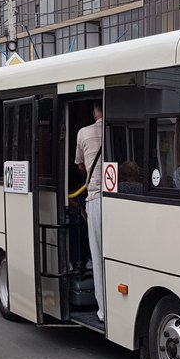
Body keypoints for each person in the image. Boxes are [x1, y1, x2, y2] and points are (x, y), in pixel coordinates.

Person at [74, 102, 105, 321]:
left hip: (96, 197)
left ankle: (103, 310)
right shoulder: (117, 128)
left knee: (98, 255)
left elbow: (80, 165)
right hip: (122, 198)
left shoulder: (83, 133)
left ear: (94, 112)